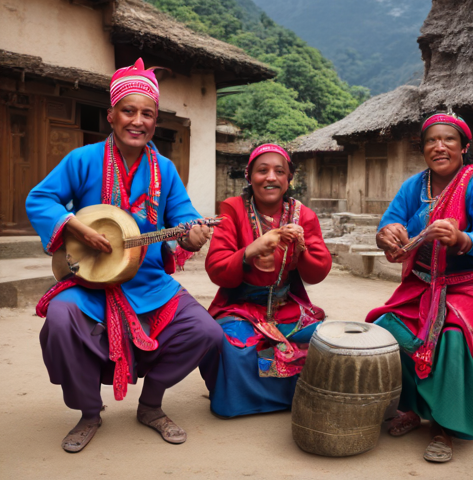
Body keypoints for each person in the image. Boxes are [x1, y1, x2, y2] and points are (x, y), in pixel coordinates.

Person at [26, 58, 223, 453]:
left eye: (147, 113)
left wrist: (192, 237)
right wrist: (72, 225)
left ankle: (151, 406)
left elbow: (183, 218)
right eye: (129, 111)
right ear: (112, 116)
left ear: (155, 121)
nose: (138, 120)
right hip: (91, 281)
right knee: (61, 320)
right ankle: (88, 412)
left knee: (206, 332)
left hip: (147, 281)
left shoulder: (164, 169)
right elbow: (41, 198)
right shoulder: (82, 160)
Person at [366, 112, 473, 463]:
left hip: (466, 287)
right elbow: (390, 223)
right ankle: (413, 409)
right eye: (431, 140)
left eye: (448, 139)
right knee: (386, 328)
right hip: (421, 285)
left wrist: (462, 237)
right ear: (423, 148)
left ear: (464, 146)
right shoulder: (413, 186)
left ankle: (444, 427)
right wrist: (386, 234)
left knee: (454, 338)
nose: (439, 146)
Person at [205, 144, 332, 418]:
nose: (271, 177)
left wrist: (301, 251)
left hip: (288, 308)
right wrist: (250, 252)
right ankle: (247, 402)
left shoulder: (304, 216)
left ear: (289, 179)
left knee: (326, 341)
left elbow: (318, 272)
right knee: (231, 346)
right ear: (249, 177)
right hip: (240, 307)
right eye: (262, 171)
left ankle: (296, 395)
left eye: (279, 171)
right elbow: (216, 269)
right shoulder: (232, 209)